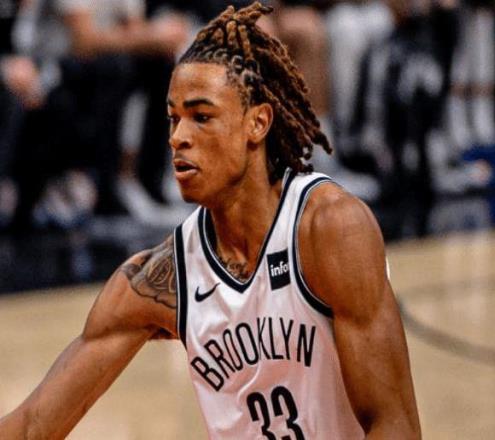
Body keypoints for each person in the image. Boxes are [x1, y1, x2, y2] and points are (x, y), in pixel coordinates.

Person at [0, 2, 421, 438]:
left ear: (257, 122)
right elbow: (33, 426)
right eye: (173, 119)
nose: (178, 138)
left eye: (202, 117)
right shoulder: (162, 279)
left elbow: (394, 422)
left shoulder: (330, 229)